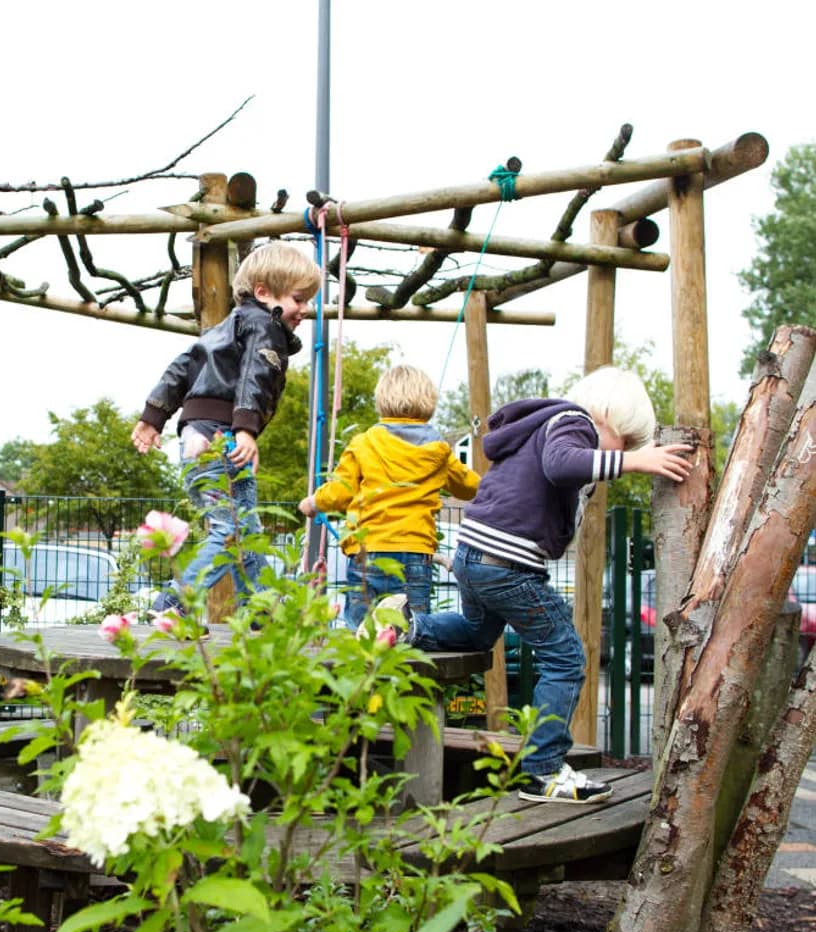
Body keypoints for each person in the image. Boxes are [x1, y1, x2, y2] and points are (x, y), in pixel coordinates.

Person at [377, 366, 693, 803]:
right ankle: (542, 771)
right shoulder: (573, 422)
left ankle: (407, 629)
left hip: (474, 555)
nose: (625, 450)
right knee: (565, 656)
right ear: (608, 414)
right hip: (505, 563)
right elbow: (562, 465)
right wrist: (632, 462)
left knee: (476, 633)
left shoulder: (542, 428)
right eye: (625, 441)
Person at [131, 241, 322, 619]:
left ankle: (259, 611)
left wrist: (154, 416)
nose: (306, 309)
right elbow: (254, 375)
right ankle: (174, 602)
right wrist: (246, 429)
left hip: (198, 434)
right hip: (221, 436)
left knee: (245, 530)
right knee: (231, 530)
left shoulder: (224, 328)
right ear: (265, 293)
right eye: (299, 299)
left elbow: (182, 366)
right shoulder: (264, 326)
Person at [297, 364, 480, 632]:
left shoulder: (365, 443)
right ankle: (408, 669)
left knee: (363, 628)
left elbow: (340, 492)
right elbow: (469, 487)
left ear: (382, 401)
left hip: (367, 549)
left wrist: (313, 502)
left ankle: (364, 670)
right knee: (412, 630)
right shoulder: (439, 451)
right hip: (415, 553)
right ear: (428, 401)